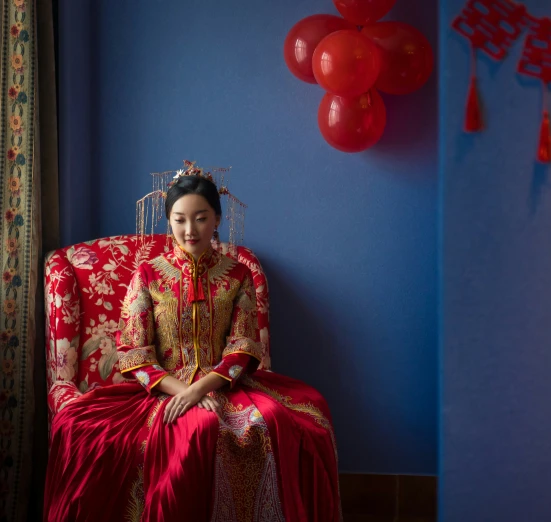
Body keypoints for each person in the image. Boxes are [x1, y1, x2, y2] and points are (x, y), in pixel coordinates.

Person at [44, 165, 341, 522]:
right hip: (163, 388)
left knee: (300, 416)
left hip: (225, 384)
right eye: (179, 219)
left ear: (216, 218)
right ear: (168, 220)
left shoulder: (238, 273)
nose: (189, 230)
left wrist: (200, 389)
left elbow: (244, 346)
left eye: (200, 218)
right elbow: (134, 352)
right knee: (81, 423)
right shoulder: (148, 275)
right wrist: (181, 393)